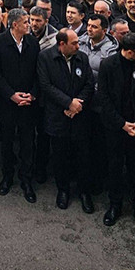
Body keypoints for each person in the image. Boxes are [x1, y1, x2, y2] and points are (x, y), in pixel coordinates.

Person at [97, 32, 135, 235]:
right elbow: (104, 98)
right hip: (116, 126)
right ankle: (115, 204)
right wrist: (122, 124)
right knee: (115, 166)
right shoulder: (108, 65)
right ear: (129, 52)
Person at [36, 28, 94, 211]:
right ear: (62, 44)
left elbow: (89, 84)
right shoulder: (45, 58)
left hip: (79, 116)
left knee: (83, 156)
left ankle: (85, 192)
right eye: (74, 43)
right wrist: (68, 103)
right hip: (57, 116)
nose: (78, 45)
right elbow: (46, 86)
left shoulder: (82, 58)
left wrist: (77, 105)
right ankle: (63, 190)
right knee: (60, 156)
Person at [0, 8, 40, 202]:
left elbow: (38, 71)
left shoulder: (33, 43)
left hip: (28, 103)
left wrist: (32, 95)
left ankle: (26, 179)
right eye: (26, 22)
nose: (29, 25)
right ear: (14, 24)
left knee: (28, 143)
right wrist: (11, 95)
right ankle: (7, 176)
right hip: (7, 103)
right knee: (7, 142)